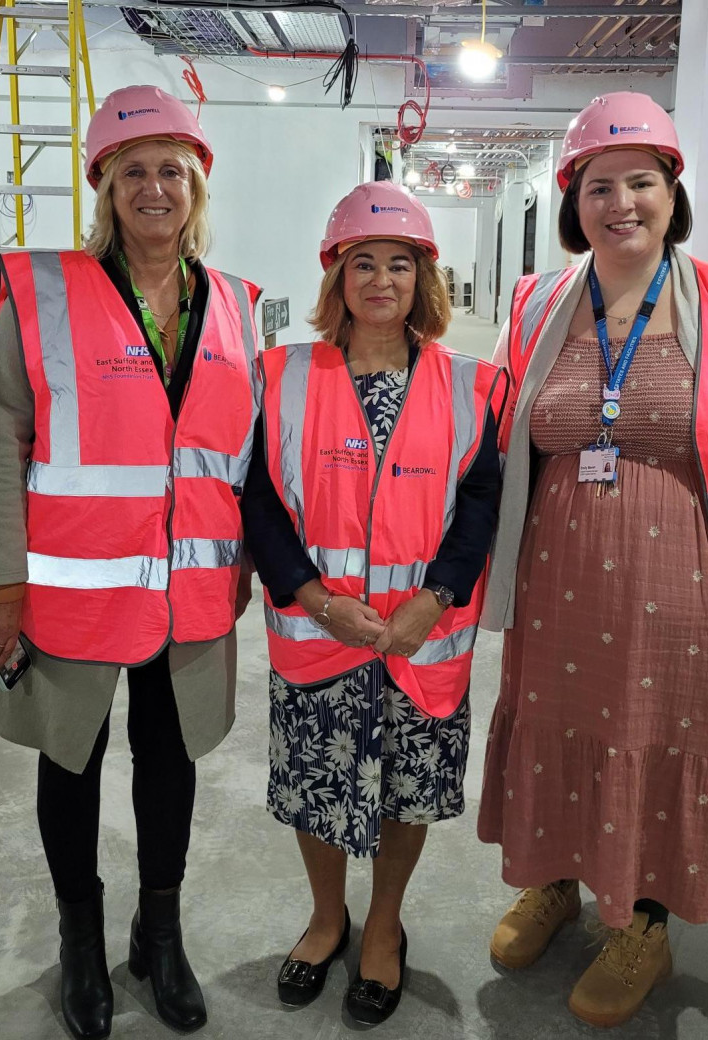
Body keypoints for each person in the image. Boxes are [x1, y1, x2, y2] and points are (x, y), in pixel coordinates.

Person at [477, 92, 708, 1028]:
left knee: (657, 747)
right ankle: (559, 877)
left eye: (642, 181)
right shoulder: (539, 304)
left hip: (694, 605)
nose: (621, 203)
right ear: (574, 201)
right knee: (564, 737)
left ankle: (641, 919)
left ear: (674, 195)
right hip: (560, 595)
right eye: (600, 186)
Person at [0, 85, 261, 1039]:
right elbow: (1, 437)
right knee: (74, 760)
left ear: (198, 183)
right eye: (132, 171)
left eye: (172, 168)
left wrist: (245, 563)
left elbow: (242, 454)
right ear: (105, 187)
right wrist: (0, 584)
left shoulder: (237, 306)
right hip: (74, 592)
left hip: (189, 590)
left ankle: (158, 936)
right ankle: (80, 944)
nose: (155, 187)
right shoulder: (45, 293)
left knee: (168, 764)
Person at [241, 181, 506, 1025]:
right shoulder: (279, 375)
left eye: (401, 263)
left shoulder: (475, 385)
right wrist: (315, 598)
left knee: (407, 793)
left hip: (420, 643)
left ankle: (384, 927)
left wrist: (436, 599)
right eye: (364, 263)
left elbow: (482, 504)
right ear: (337, 278)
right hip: (320, 638)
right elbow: (258, 503)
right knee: (317, 786)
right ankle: (328, 920)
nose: (382, 279)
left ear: (424, 280)